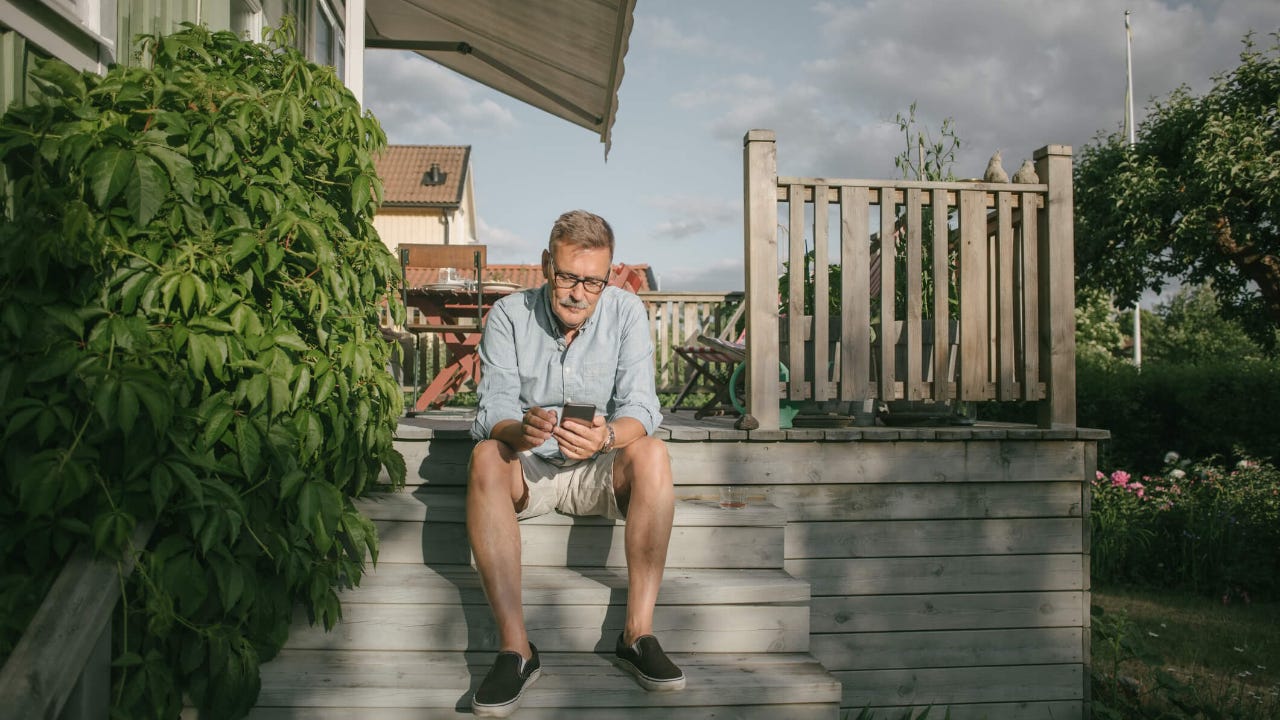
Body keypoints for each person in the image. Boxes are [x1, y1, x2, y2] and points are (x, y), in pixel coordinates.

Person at [466, 210, 684, 717]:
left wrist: (607, 436)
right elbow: (493, 408)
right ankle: (517, 650)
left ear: (608, 276)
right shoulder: (508, 315)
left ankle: (637, 635)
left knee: (653, 451)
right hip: (530, 465)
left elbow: (642, 407)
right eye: (568, 277)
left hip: (598, 465)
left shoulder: (626, 312)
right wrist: (517, 431)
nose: (579, 294)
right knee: (485, 455)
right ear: (547, 264)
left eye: (593, 282)